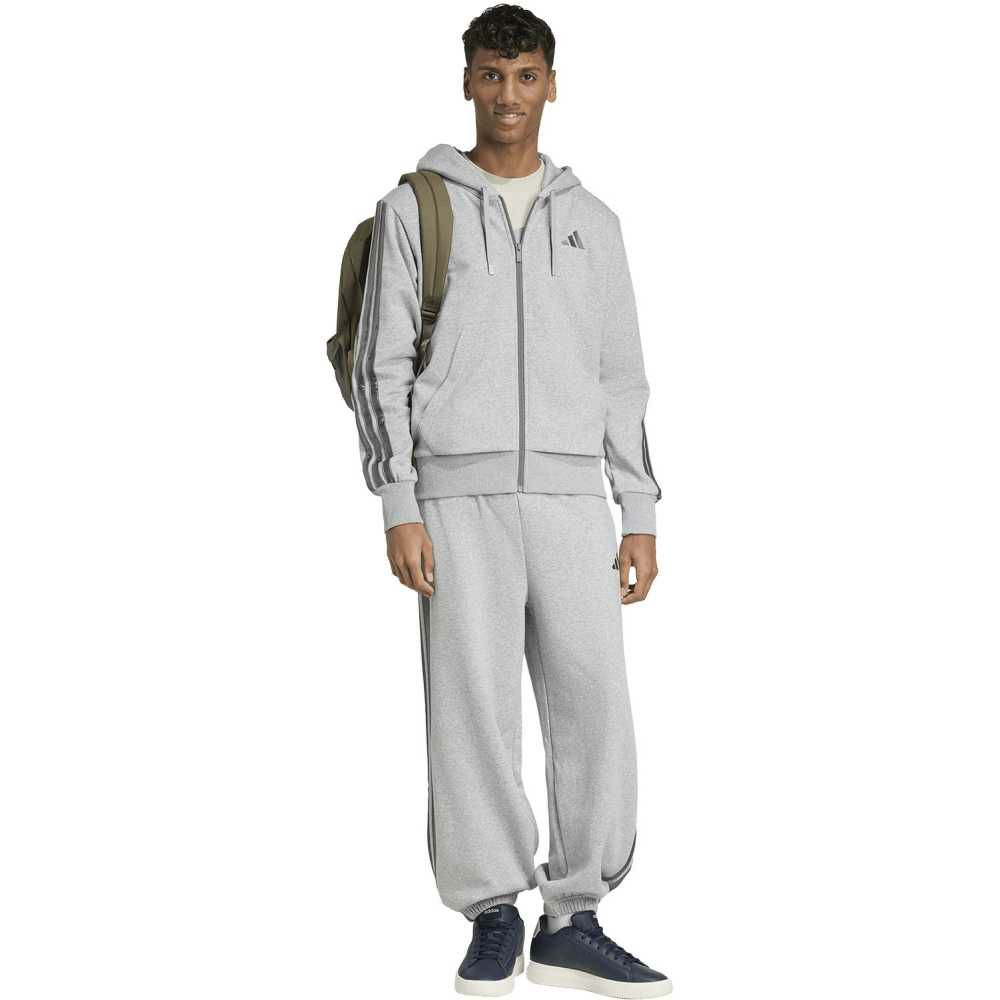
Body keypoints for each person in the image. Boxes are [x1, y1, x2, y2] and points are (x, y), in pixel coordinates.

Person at [349, 6, 671, 996]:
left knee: (595, 705)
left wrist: (639, 508)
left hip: (573, 500)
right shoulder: (416, 209)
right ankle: (493, 909)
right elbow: (381, 364)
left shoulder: (593, 221)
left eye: (526, 75)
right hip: (457, 498)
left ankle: (574, 917)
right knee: (472, 712)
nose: (508, 95)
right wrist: (400, 500)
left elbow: (621, 376)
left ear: (552, 85)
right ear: (466, 83)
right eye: (491, 74)